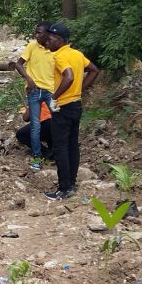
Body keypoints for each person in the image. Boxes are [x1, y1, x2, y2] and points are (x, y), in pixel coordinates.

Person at [44, 22, 100, 200]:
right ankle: (72, 183)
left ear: (60, 40)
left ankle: (64, 188)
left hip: (63, 106)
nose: (48, 42)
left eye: (51, 39)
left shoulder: (60, 56)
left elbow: (68, 76)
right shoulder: (77, 54)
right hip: (76, 104)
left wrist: (54, 97)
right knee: (72, 145)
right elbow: (93, 70)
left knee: (60, 147)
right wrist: (80, 89)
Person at [14, 21, 56, 170]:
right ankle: (38, 157)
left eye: (39, 33)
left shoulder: (55, 49)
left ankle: (58, 152)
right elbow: (18, 64)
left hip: (51, 91)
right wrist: (29, 79)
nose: (36, 35)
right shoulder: (32, 46)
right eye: (36, 33)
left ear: (48, 34)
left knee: (57, 122)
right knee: (35, 127)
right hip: (35, 89)